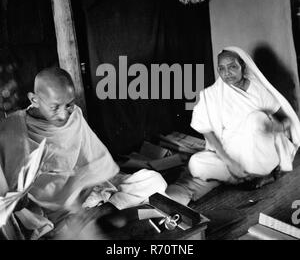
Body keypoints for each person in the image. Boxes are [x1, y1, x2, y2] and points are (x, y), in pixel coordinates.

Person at [0, 67, 167, 239]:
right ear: (34, 99)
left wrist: (79, 197)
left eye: (69, 105)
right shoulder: (12, 129)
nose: (64, 114)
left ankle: (103, 212)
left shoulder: (75, 115)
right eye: (55, 107)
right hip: (48, 213)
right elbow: (8, 194)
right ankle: (96, 218)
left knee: (154, 180)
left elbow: (96, 163)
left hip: (83, 197)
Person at [166, 46, 300, 205]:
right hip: (232, 154)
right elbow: (206, 131)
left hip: (260, 152)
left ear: (243, 66)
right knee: (196, 163)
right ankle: (246, 177)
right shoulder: (213, 94)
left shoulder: (257, 89)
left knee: (256, 118)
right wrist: (230, 162)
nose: (226, 72)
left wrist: (279, 126)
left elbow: (285, 119)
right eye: (221, 68)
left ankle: (257, 173)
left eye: (232, 67)